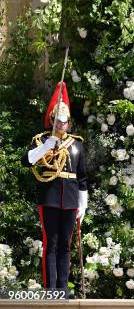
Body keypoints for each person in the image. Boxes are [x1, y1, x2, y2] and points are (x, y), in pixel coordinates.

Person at [21, 82, 88, 291]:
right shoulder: (42, 140)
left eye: (64, 122)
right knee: (51, 244)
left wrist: (82, 205)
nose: (61, 125)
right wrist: (46, 147)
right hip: (49, 196)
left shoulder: (76, 145)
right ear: (52, 121)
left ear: (69, 124)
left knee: (65, 247)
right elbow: (27, 161)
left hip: (69, 200)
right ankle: (51, 290)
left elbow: (82, 178)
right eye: (57, 122)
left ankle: (63, 289)